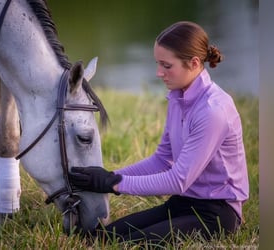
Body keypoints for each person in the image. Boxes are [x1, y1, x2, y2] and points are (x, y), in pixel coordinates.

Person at [69, 21, 249, 245]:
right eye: (157, 64)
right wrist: (111, 175)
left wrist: (114, 184)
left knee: (125, 245)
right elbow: (163, 160)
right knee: (100, 238)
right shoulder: (178, 97)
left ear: (193, 63)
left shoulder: (213, 111)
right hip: (183, 203)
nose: (159, 73)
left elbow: (177, 181)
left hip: (216, 214)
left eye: (166, 65)